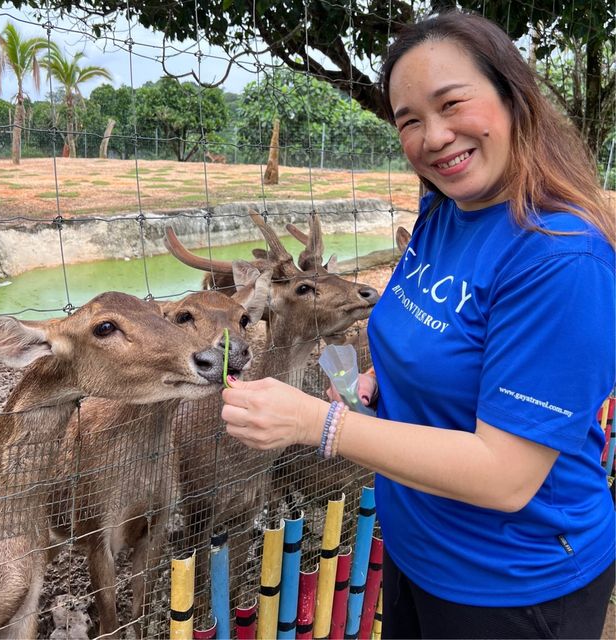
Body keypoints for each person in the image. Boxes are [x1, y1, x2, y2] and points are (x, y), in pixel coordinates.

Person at [221, 10, 616, 639]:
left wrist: (316, 424)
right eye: (409, 120)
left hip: (512, 583)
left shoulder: (561, 258)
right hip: (416, 548)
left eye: (452, 103)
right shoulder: (444, 206)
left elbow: (506, 475)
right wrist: (388, 372)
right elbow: (439, 327)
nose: (433, 137)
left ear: (513, 98)